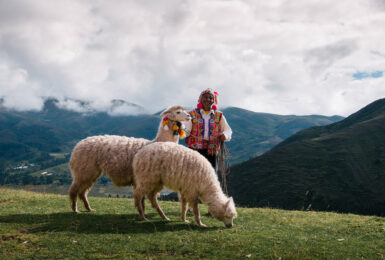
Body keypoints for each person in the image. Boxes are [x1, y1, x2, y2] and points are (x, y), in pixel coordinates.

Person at [184, 88, 232, 169]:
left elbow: (228, 130)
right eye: (205, 97)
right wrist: (178, 130)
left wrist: (225, 135)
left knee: (210, 175)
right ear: (200, 99)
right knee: (194, 174)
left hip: (212, 151)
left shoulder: (219, 115)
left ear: (214, 100)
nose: (208, 99)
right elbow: (186, 130)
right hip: (194, 150)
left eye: (211, 98)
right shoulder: (191, 114)